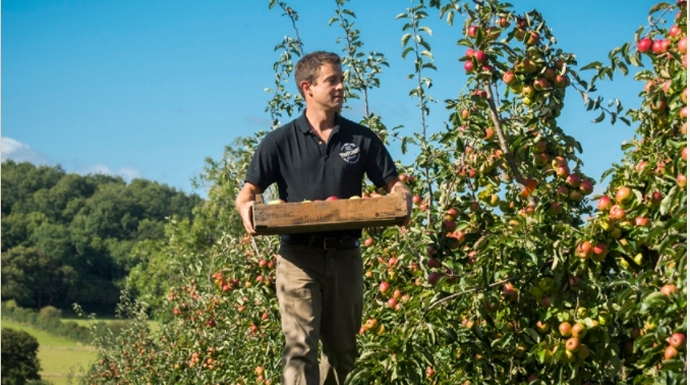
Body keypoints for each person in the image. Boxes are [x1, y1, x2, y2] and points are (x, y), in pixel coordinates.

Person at [235, 50, 410, 385]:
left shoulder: (361, 139)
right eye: (333, 80)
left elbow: (395, 184)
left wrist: (403, 200)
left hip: (346, 256)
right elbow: (247, 192)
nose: (341, 87)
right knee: (300, 348)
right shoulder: (279, 142)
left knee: (343, 354)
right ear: (308, 87)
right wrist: (246, 208)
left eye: (342, 79)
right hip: (299, 258)